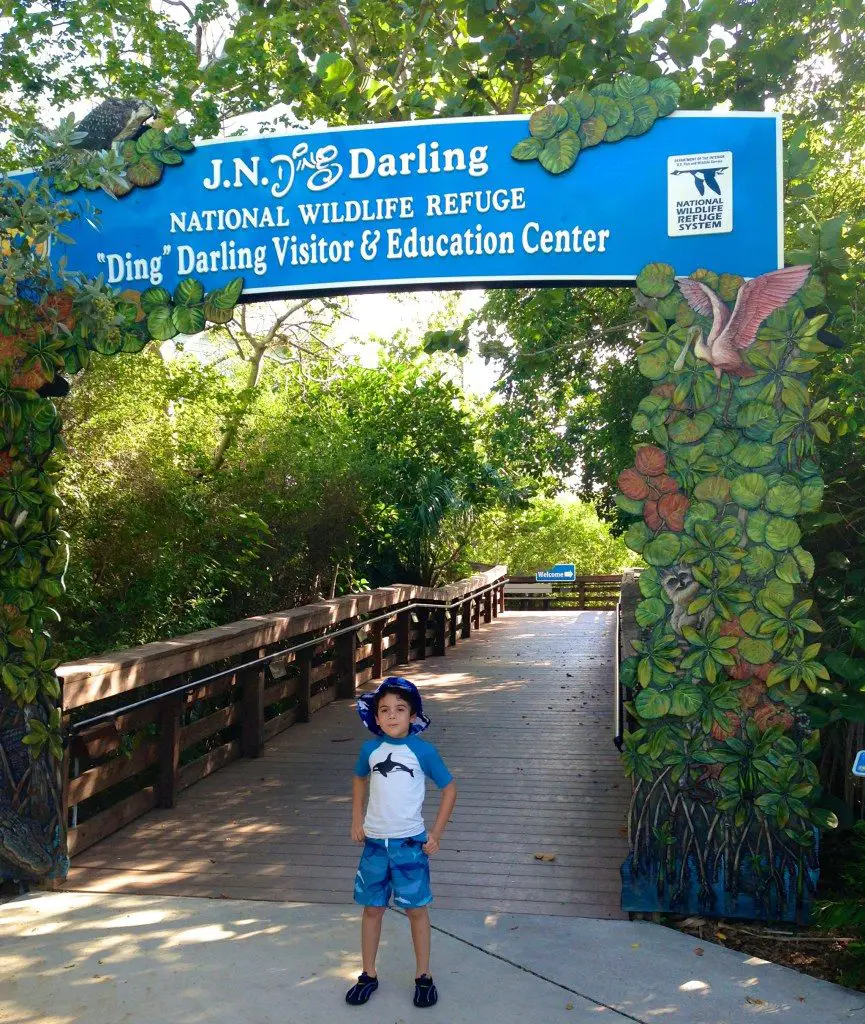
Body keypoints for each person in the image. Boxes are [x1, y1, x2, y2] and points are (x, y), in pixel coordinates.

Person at [346, 676, 457, 1009]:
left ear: (412, 715)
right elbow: (358, 777)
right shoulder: (370, 750)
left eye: (400, 709)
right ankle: (368, 974)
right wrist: (356, 817)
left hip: (410, 845)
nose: (392, 716)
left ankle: (423, 976)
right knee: (372, 909)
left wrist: (436, 833)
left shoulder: (422, 751)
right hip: (376, 845)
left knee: (416, 910)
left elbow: (449, 788)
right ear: (376, 718)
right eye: (385, 710)